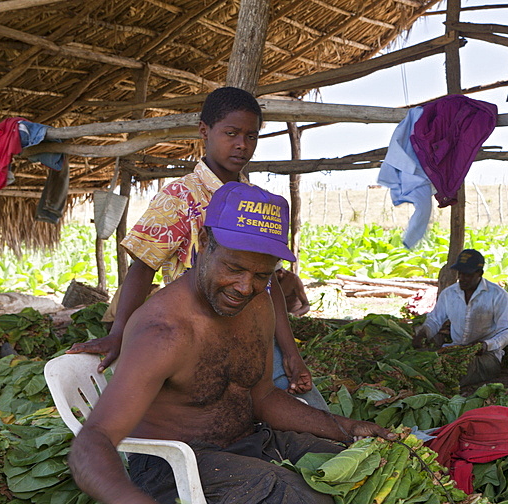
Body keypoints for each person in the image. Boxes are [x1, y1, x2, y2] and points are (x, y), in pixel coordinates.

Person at [68, 181, 394, 504]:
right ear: (204, 244)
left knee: (365, 467)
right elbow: (92, 443)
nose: (246, 287)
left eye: (263, 275)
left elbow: (262, 398)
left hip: (247, 442)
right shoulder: (165, 331)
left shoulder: (257, 305)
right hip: (175, 468)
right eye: (235, 268)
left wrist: (343, 427)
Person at [68, 86, 327, 410]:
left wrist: (291, 353)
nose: (241, 145)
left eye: (251, 136)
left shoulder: (253, 201)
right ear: (204, 131)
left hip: (254, 336)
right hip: (198, 337)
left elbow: (269, 283)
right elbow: (143, 266)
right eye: (231, 133)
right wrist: (120, 333)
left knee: (307, 415)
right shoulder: (181, 196)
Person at [411, 249, 508, 386]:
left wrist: (485, 345)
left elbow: (507, 332)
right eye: (460, 273)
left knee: (456, 373)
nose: (462, 278)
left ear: (480, 273)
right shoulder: (449, 294)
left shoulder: (498, 295)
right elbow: (435, 320)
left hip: (487, 356)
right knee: (424, 365)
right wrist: (423, 334)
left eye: (468, 275)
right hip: (454, 350)